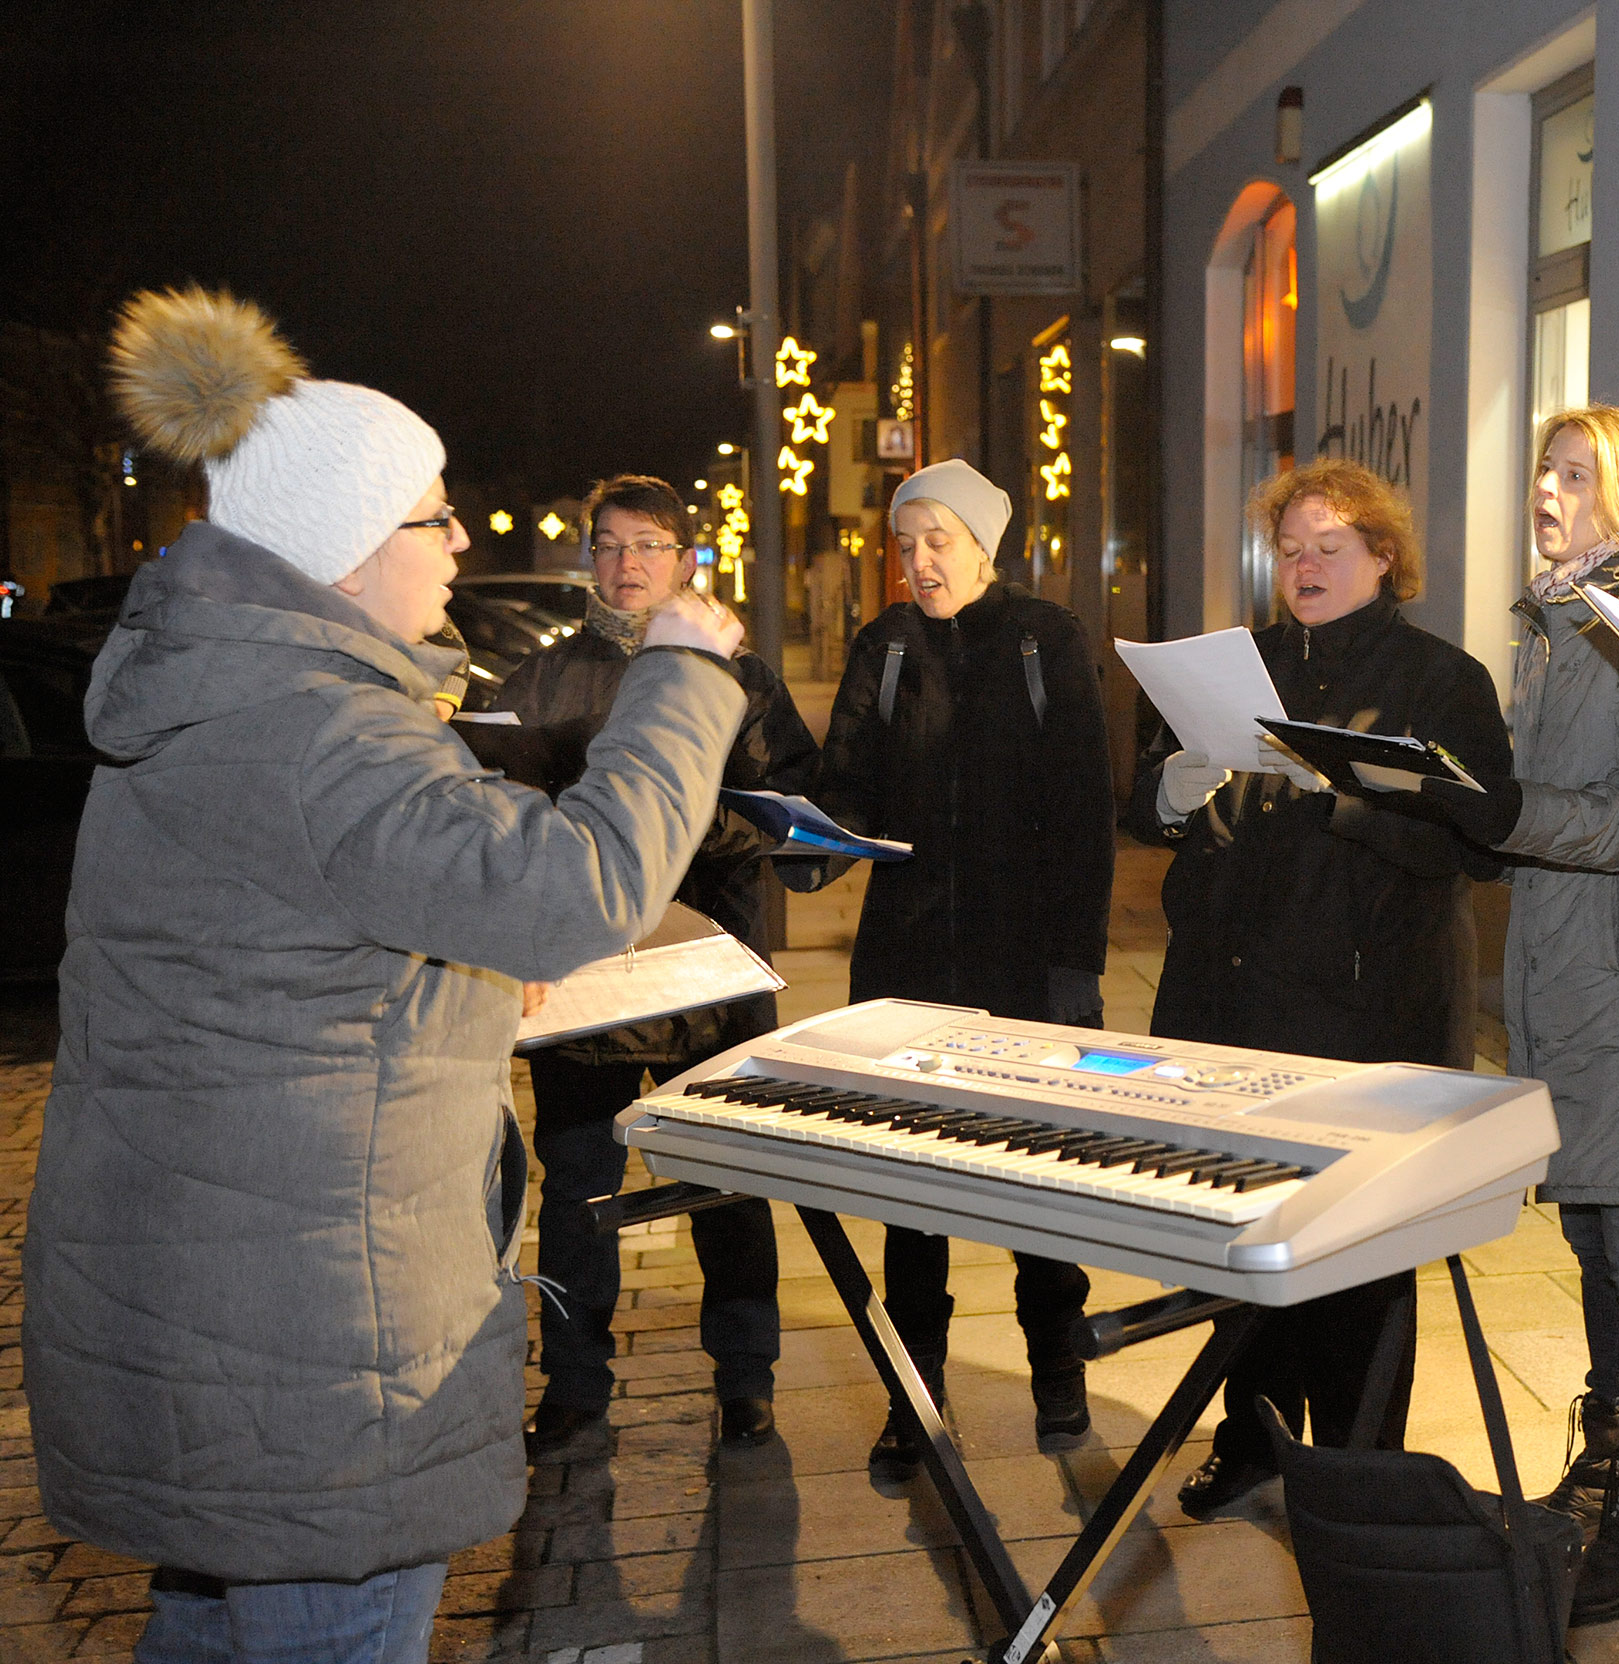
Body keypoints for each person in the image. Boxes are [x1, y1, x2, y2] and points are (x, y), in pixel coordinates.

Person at [25, 286, 748, 1663]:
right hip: (309, 1343)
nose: (464, 538)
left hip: (213, 1295)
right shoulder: (326, 734)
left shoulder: (218, 696)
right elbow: (578, 889)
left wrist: (461, 982)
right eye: (434, 515)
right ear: (348, 553)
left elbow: (280, 962)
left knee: (210, 1628)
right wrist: (684, 679)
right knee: (328, 1627)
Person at [1396, 405, 1619, 1627]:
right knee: (1597, 1242)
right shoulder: (1555, 621)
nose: (1545, 490)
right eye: (1542, 470)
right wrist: (1472, 807)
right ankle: (1604, 1481)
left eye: (1573, 473)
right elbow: (1542, 802)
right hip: (1571, 979)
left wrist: (1502, 814)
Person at [1131, 459, 1512, 1519]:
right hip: (1225, 1001)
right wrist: (1168, 790)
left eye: (1328, 546)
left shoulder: (1443, 678)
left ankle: (1358, 1475)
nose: (1303, 566)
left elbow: (1470, 842)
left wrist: (1340, 792)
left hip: (1362, 1013)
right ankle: (1252, 1437)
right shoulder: (1234, 663)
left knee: (1354, 1262)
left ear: (1382, 558)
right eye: (1289, 548)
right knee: (1239, 1241)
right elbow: (1146, 812)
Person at [486, 473, 818, 1456]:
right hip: (582, 985)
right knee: (577, 1191)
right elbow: (502, 817)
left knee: (726, 1184)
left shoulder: (740, 675)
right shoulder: (541, 678)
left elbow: (785, 802)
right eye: (609, 544)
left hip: (709, 974)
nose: (627, 564)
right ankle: (575, 1383)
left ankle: (745, 1379)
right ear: (587, 558)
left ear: (685, 559)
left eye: (648, 545)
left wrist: (675, 828)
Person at [808, 458, 1116, 1479]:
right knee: (914, 1183)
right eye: (905, 543)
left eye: (937, 539)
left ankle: (1057, 1371)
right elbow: (844, 781)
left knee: (1035, 1170)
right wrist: (814, 836)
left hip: (1025, 959)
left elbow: (1084, 811)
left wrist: (1076, 957)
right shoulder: (884, 645)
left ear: (985, 542)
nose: (918, 560)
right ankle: (915, 1397)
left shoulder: (1045, 639)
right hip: (907, 954)